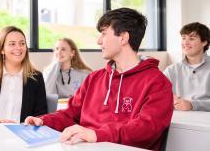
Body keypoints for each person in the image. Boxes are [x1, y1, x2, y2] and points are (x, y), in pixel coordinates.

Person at [25, 8, 173, 151]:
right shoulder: (94, 78)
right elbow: (70, 114)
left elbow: (146, 129)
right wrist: (44, 121)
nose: (99, 41)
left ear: (123, 38)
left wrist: (96, 134)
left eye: (103, 34)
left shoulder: (158, 83)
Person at [164, 22, 210, 111]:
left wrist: (192, 105)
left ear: (204, 42)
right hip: (177, 121)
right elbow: (156, 97)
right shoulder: (171, 70)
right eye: (183, 38)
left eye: (191, 39)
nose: (185, 42)